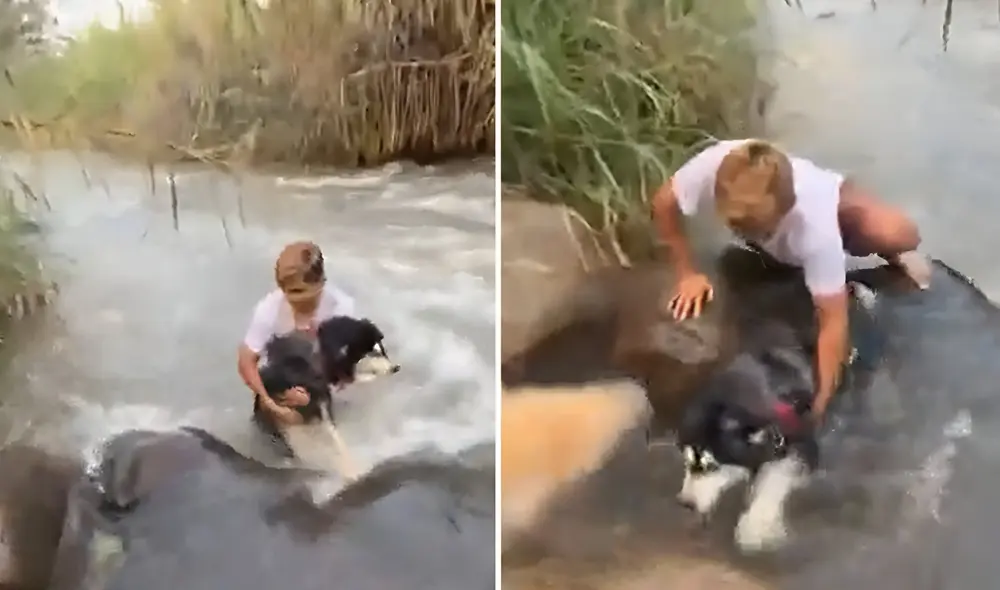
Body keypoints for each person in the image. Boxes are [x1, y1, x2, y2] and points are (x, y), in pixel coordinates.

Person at [651, 139, 929, 423]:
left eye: (752, 223)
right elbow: (663, 203)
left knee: (894, 233)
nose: (739, 228)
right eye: (735, 222)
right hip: (778, 235)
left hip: (830, 209)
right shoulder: (716, 165)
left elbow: (832, 322)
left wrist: (822, 403)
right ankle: (776, 251)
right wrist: (687, 273)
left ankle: (891, 253)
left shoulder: (816, 226)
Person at [237, 241, 356, 427]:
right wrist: (269, 401)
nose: (294, 299)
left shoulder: (340, 307)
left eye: (300, 291)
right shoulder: (269, 309)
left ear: (320, 283)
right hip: (280, 380)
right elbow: (247, 360)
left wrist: (305, 396)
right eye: (287, 291)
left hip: (319, 377)